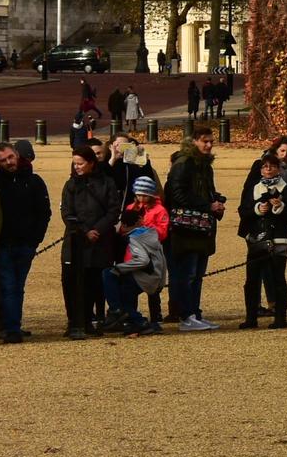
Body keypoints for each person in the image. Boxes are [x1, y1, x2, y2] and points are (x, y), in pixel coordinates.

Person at [162, 122, 226, 328]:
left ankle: (194, 313)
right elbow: (177, 194)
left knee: (197, 274)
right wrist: (208, 204)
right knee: (187, 274)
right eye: (205, 141)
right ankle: (186, 315)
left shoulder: (204, 165)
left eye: (211, 142)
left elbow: (203, 191)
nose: (208, 145)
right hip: (186, 228)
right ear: (194, 141)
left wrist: (216, 201)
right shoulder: (184, 163)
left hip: (201, 226)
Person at [59, 145, 124, 340]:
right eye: (75, 163)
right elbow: (67, 213)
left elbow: (113, 210)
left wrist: (98, 229)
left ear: (91, 163)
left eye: (81, 163)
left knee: (95, 283)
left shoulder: (107, 183)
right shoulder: (70, 185)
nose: (77, 167)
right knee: (72, 282)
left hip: (100, 241)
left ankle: (91, 320)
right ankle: (75, 322)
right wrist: (86, 231)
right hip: (76, 241)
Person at [0, 140, 45, 342]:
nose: (8, 162)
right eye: (2, 160)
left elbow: (43, 213)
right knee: (8, 285)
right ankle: (10, 328)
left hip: (25, 244)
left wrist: (34, 240)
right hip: (3, 243)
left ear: (17, 155)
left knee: (17, 286)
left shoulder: (34, 181)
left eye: (10, 157)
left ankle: (12, 325)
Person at [237, 145, 287, 329]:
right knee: (252, 280)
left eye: (272, 166)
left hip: (279, 239)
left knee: (278, 278)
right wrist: (258, 209)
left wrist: (281, 207)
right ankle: (251, 318)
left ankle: (280, 318)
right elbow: (243, 210)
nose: (268, 169)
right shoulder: (254, 188)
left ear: (278, 168)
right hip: (256, 240)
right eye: (265, 166)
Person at [111, 176, 169, 335]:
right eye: (138, 194)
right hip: (131, 254)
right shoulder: (131, 208)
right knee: (130, 289)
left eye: (145, 195)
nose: (141, 198)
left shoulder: (160, 210)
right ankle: (133, 319)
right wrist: (126, 228)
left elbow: (162, 233)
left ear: (152, 194)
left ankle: (156, 319)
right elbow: (124, 229)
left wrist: (143, 226)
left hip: (151, 254)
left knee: (153, 291)